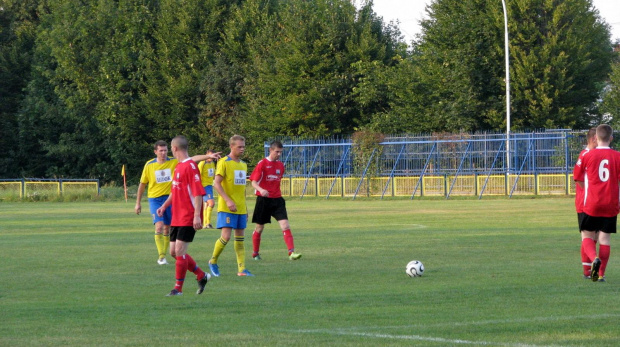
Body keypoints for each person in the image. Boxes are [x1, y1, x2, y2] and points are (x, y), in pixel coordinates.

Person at [135, 140, 217, 265]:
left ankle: (179, 262)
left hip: (171, 198)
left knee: (167, 229)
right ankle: (162, 256)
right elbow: (142, 184)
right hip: (155, 199)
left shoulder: (174, 162)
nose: (163, 153)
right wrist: (138, 202)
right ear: (155, 152)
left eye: (165, 150)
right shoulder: (149, 165)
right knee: (159, 226)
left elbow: (192, 159)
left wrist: (208, 156)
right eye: (160, 150)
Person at [156, 135, 219, 296]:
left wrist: (197, 216)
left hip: (188, 216)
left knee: (180, 252)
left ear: (175, 148)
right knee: (173, 252)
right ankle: (201, 275)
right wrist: (164, 205)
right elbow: (175, 190)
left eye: (170, 148)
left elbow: (198, 193)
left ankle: (178, 289)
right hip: (176, 216)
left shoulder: (190, 167)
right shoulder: (179, 166)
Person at [573, 124, 620, 282]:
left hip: (592, 203)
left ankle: (593, 259)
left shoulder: (587, 155)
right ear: (611, 138)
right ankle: (600, 275)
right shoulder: (618, 156)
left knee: (587, 235)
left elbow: (578, 177)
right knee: (605, 239)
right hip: (611, 203)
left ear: (596, 138)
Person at [208, 135, 254, 277]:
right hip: (227, 207)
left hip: (240, 207)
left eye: (243, 146)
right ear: (231, 146)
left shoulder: (243, 164)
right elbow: (216, 183)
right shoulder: (224, 162)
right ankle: (213, 261)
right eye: (239, 147)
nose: (242, 149)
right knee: (226, 237)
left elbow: (242, 190)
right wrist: (228, 200)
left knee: (240, 238)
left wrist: (245, 209)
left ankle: (242, 269)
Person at [249, 140, 302, 261]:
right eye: (277, 151)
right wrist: (261, 190)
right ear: (270, 150)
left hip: (277, 200)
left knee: (285, 225)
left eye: (280, 152)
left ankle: (291, 253)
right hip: (263, 200)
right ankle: (255, 253)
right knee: (259, 228)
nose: (279, 154)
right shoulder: (262, 164)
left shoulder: (280, 165)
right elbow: (253, 182)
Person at [575, 128, 598, 279]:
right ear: (594, 139)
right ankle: (588, 271)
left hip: (594, 203)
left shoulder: (595, 155)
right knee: (587, 237)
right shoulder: (584, 155)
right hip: (585, 204)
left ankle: (590, 269)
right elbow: (577, 178)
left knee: (593, 238)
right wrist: (591, 192)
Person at [198, 150, 217, 229]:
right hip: (204, 186)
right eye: (210, 155)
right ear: (206, 155)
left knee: (206, 205)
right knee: (211, 203)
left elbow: (213, 175)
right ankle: (207, 223)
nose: (211, 157)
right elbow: (197, 174)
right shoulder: (202, 163)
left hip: (210, 186)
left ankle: (205, 224)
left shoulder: (212, 163)